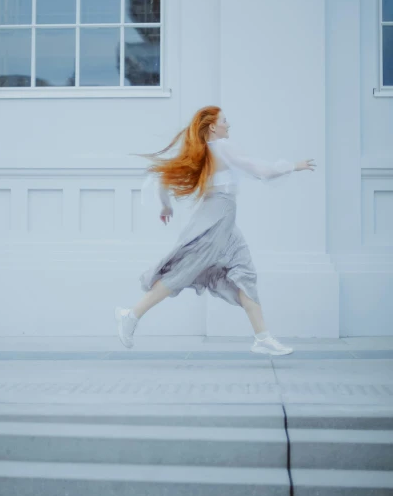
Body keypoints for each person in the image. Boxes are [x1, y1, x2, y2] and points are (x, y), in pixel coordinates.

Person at [115, 106, 316, 356]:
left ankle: (263, 337)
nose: (228, 125)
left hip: (224, 221)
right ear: (212, 126)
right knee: (184, 270)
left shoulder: (202, 153)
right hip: (216, 220)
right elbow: (260, 169)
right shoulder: (221, 147)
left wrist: (166, 206)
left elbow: (165, 180)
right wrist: (294, 165)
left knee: (245, 273)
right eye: (224, 121)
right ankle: (131, 315)